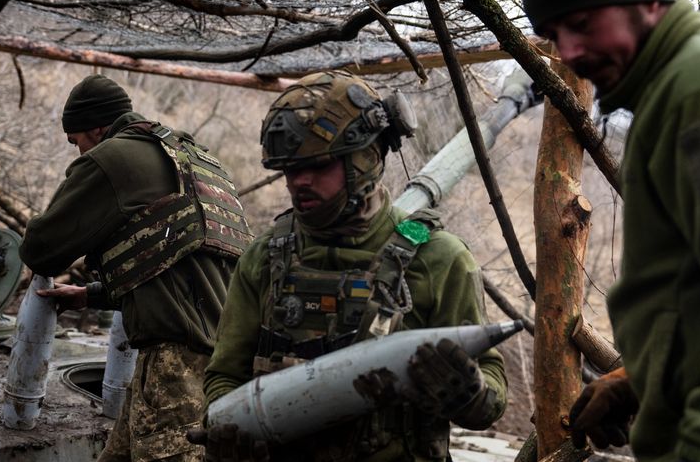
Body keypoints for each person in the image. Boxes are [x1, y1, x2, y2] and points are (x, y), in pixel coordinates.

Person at [521, 0, 700, 461]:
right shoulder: (672, 92)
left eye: (581, 24)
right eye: (555, 34)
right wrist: (639, 381)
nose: (570, 52)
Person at [196, 71, 508, 461]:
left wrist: (469, 393)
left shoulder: (439, 259)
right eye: (290, 169)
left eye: (318, 165)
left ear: (366, 157)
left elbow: (491, 397)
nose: (299, 182)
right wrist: (229, 423)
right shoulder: (264, 256)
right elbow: (225, 372)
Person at [19, 74, 254, 461]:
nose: (78, 152)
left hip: (176, 364)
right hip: (225, 355)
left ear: (96, 128)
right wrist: (92, 294)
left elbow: (42, 250)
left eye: (75, 141)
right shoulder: (196, 157)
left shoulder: (112, 159)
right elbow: (180, 264)